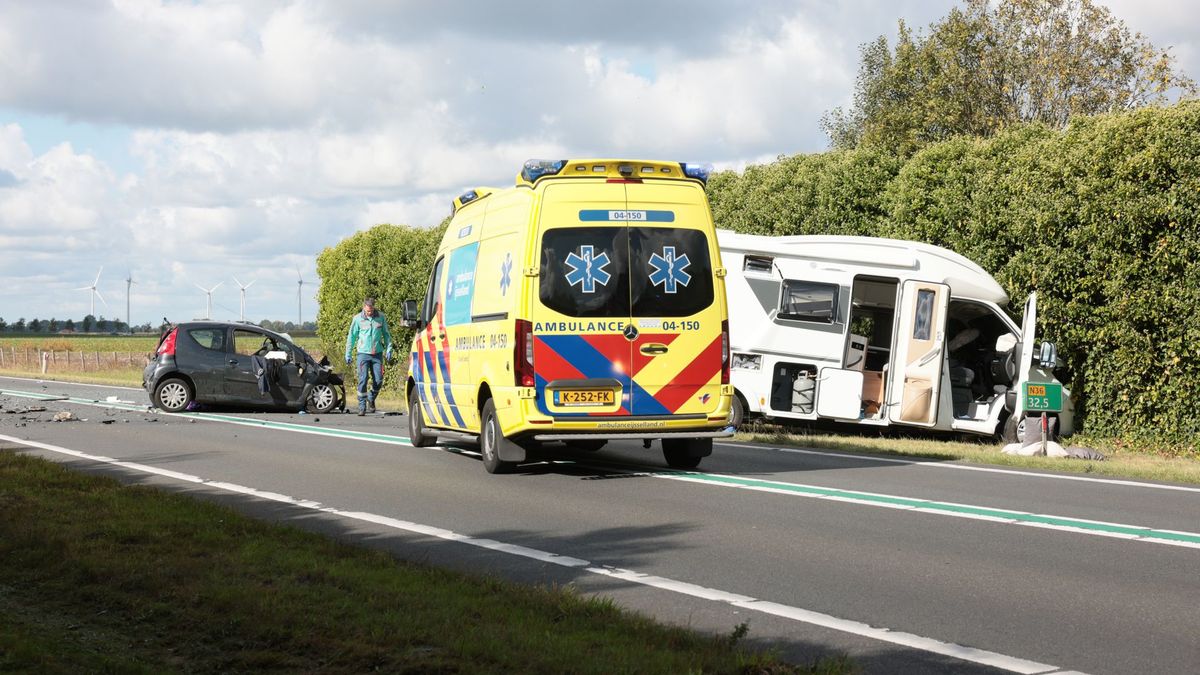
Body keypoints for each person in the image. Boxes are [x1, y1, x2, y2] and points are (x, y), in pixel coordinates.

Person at [344, 297, 393, 415]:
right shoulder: (357, 319)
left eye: (371, 311)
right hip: (363, 354)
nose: (369, 313)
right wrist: (348, 353)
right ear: (364, 308)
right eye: (367, 311)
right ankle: (362, 406)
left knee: (379, 379)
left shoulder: (380, 317)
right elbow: (352, 336)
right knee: (363, 379)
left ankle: (371, 398)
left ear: (373, 308)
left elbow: (386, 334)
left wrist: (389, 348)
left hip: (377, 354)